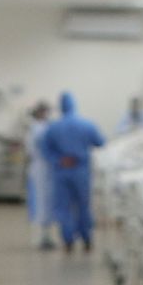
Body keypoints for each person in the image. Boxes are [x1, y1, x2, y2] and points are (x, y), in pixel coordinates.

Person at [40, 92, 106, 253]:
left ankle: (68, 240)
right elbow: (100, 142)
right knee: (83, 205)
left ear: (61, 106)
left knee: (63, 207)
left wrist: (58, 160)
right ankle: (86, 239)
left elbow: (45, 149)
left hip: (62, 171)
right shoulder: (87, 125)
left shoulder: (53, 128)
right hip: (81, 171)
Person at [25, 101, 56, 250]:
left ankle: (46, 236)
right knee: (41, 202)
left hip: (47, 168)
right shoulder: (35, 129)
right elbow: (32, 149)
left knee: (46, 202)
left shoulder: (47, 127)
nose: (46, 114)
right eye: (44, 111)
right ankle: (42, 237)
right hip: (40, 168)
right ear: (38, 113)